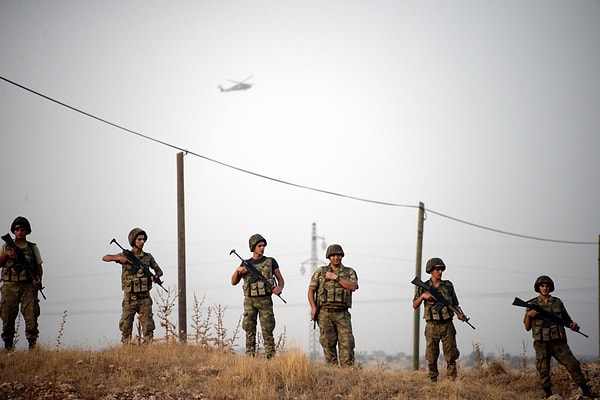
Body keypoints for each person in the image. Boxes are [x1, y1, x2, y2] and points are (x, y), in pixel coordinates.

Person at [523, 275, 597, 399]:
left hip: (558, 342)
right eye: (542, 286)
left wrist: (574, 326)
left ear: (551, 288)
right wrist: (530, 316)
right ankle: (548, 395)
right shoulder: (532, 304)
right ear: (538, 288)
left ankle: (586, 391)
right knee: (543, 369)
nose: (545, 288)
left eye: (547, 286)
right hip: (541, 343)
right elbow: (527, 327)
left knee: (572, 364)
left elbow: (568, 321)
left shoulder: (557, 302)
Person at [102, 228, 163, 345]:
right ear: (133, 240)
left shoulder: (148, 257)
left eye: (144, 239)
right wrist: (119, 259)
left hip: (144, 298)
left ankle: (148, 351)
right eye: (139, 239)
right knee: (126, 326)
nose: (142, 241)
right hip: (129, 298)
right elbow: (105, 257)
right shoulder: (125, 255)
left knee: (148, 327)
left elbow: (160, 271)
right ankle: (127, 349)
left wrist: (155, 276)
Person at [412, 257, 467, 381]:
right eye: (437, 269)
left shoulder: (448, 285)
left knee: (451, 355)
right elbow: (415, 305)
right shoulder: (423, 286)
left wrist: (460, 314)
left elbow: (455, 304)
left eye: (441, 269)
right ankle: (433, 381)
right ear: (431, 270)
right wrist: (423, 296)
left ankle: (452, 381)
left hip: (447, 324)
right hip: (432, 325)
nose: (440, 272)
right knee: (431, 356)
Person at [231, 233, 284, 358]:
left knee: (267, 330)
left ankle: (270, 357)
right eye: (259, 246)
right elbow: (233, 282)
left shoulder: (271, 261)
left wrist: (279, 288)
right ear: (253, 247)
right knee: (249, 330)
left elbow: (280, 280)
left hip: (265, 300)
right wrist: (238, 271)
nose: (262, 248)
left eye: (263, 245)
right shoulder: (245, 263)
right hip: (250, 301)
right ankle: (250, 357)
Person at [308, 244, 359, 367]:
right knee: (327, 343)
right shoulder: (321, 272)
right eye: (333, 255)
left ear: (342, 256)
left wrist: (336, 278)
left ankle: (347, 372)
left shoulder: (349, 272)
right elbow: (311, 291)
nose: (336, 257)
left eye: (338, 255)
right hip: (324, 313)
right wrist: (313, 308)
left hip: (342, 313)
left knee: (347, 343)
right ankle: (333, 372)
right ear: (329, 257)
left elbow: (353, 286)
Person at [0, 216, 44, 350]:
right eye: (17, 229)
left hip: (28, 286)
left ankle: (32, 346)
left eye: (22, 229)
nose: (19, 232)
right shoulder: (6, 246)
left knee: (31, 316)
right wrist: (7, 255)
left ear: (27, 231)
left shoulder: (32, 248)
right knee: (7, 316)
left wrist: (37, 278)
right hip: (9, 286)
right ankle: (8, 346)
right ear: (13, 231)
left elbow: (39, 267)